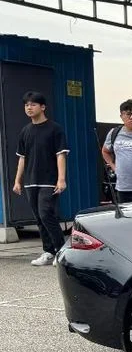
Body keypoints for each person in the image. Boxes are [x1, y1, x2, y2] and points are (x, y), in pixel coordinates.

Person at [12, 91, 69, 267]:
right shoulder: (25, 131)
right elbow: (22, 158)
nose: (29, 107)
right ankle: (48, 251)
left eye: (33, 104)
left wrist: (61, 179)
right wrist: (17, 181)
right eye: (26, 105)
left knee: (46, 214)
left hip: (49, 180)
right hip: (31, 181)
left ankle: (61, 251)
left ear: (42, 107)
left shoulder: (55, 129)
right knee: (38, 217)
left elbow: (61, 155)